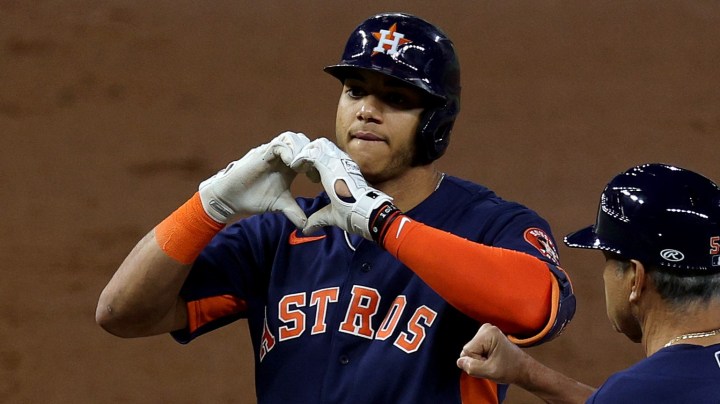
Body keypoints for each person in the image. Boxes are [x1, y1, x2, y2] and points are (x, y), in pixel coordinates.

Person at [96, 12, 575, 404]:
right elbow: (121, 313)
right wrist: (209, 204)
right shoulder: (280, 234)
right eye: (355, 90)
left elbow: (540, 308)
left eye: (396, 98)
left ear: (435, 124)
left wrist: (384, 225)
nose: (367, 109)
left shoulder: (489, 224)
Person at [456, 163, 720, 403]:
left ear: (636, 279)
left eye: (607, 260)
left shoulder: (640, 389)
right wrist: (525, 372)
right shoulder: (649, 389)